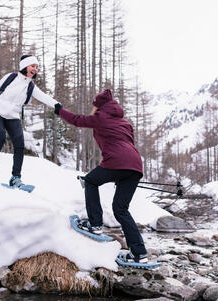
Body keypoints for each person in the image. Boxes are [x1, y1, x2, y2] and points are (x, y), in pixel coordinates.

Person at [54, 89, 148, 264]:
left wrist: (60, 110)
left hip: (117, 161)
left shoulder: (101, 117)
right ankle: (139, 253)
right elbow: (127, 144)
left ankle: (95, 224)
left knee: (90, 180)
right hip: (135, 165)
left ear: (98, 107)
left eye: (94, 106)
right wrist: (121, 175)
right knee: (121, 210)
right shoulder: (125, 122)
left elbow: (76, 120)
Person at [0, 54, 61, 187]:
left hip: (13, 116)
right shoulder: (11, 77)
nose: (35, 69)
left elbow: (43, 97)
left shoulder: (31, 86)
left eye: (37, 67)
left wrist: (56, 104)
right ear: (25, 66)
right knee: (0, 138)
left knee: (19, 145)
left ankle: (15, 178)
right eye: (33, 66)